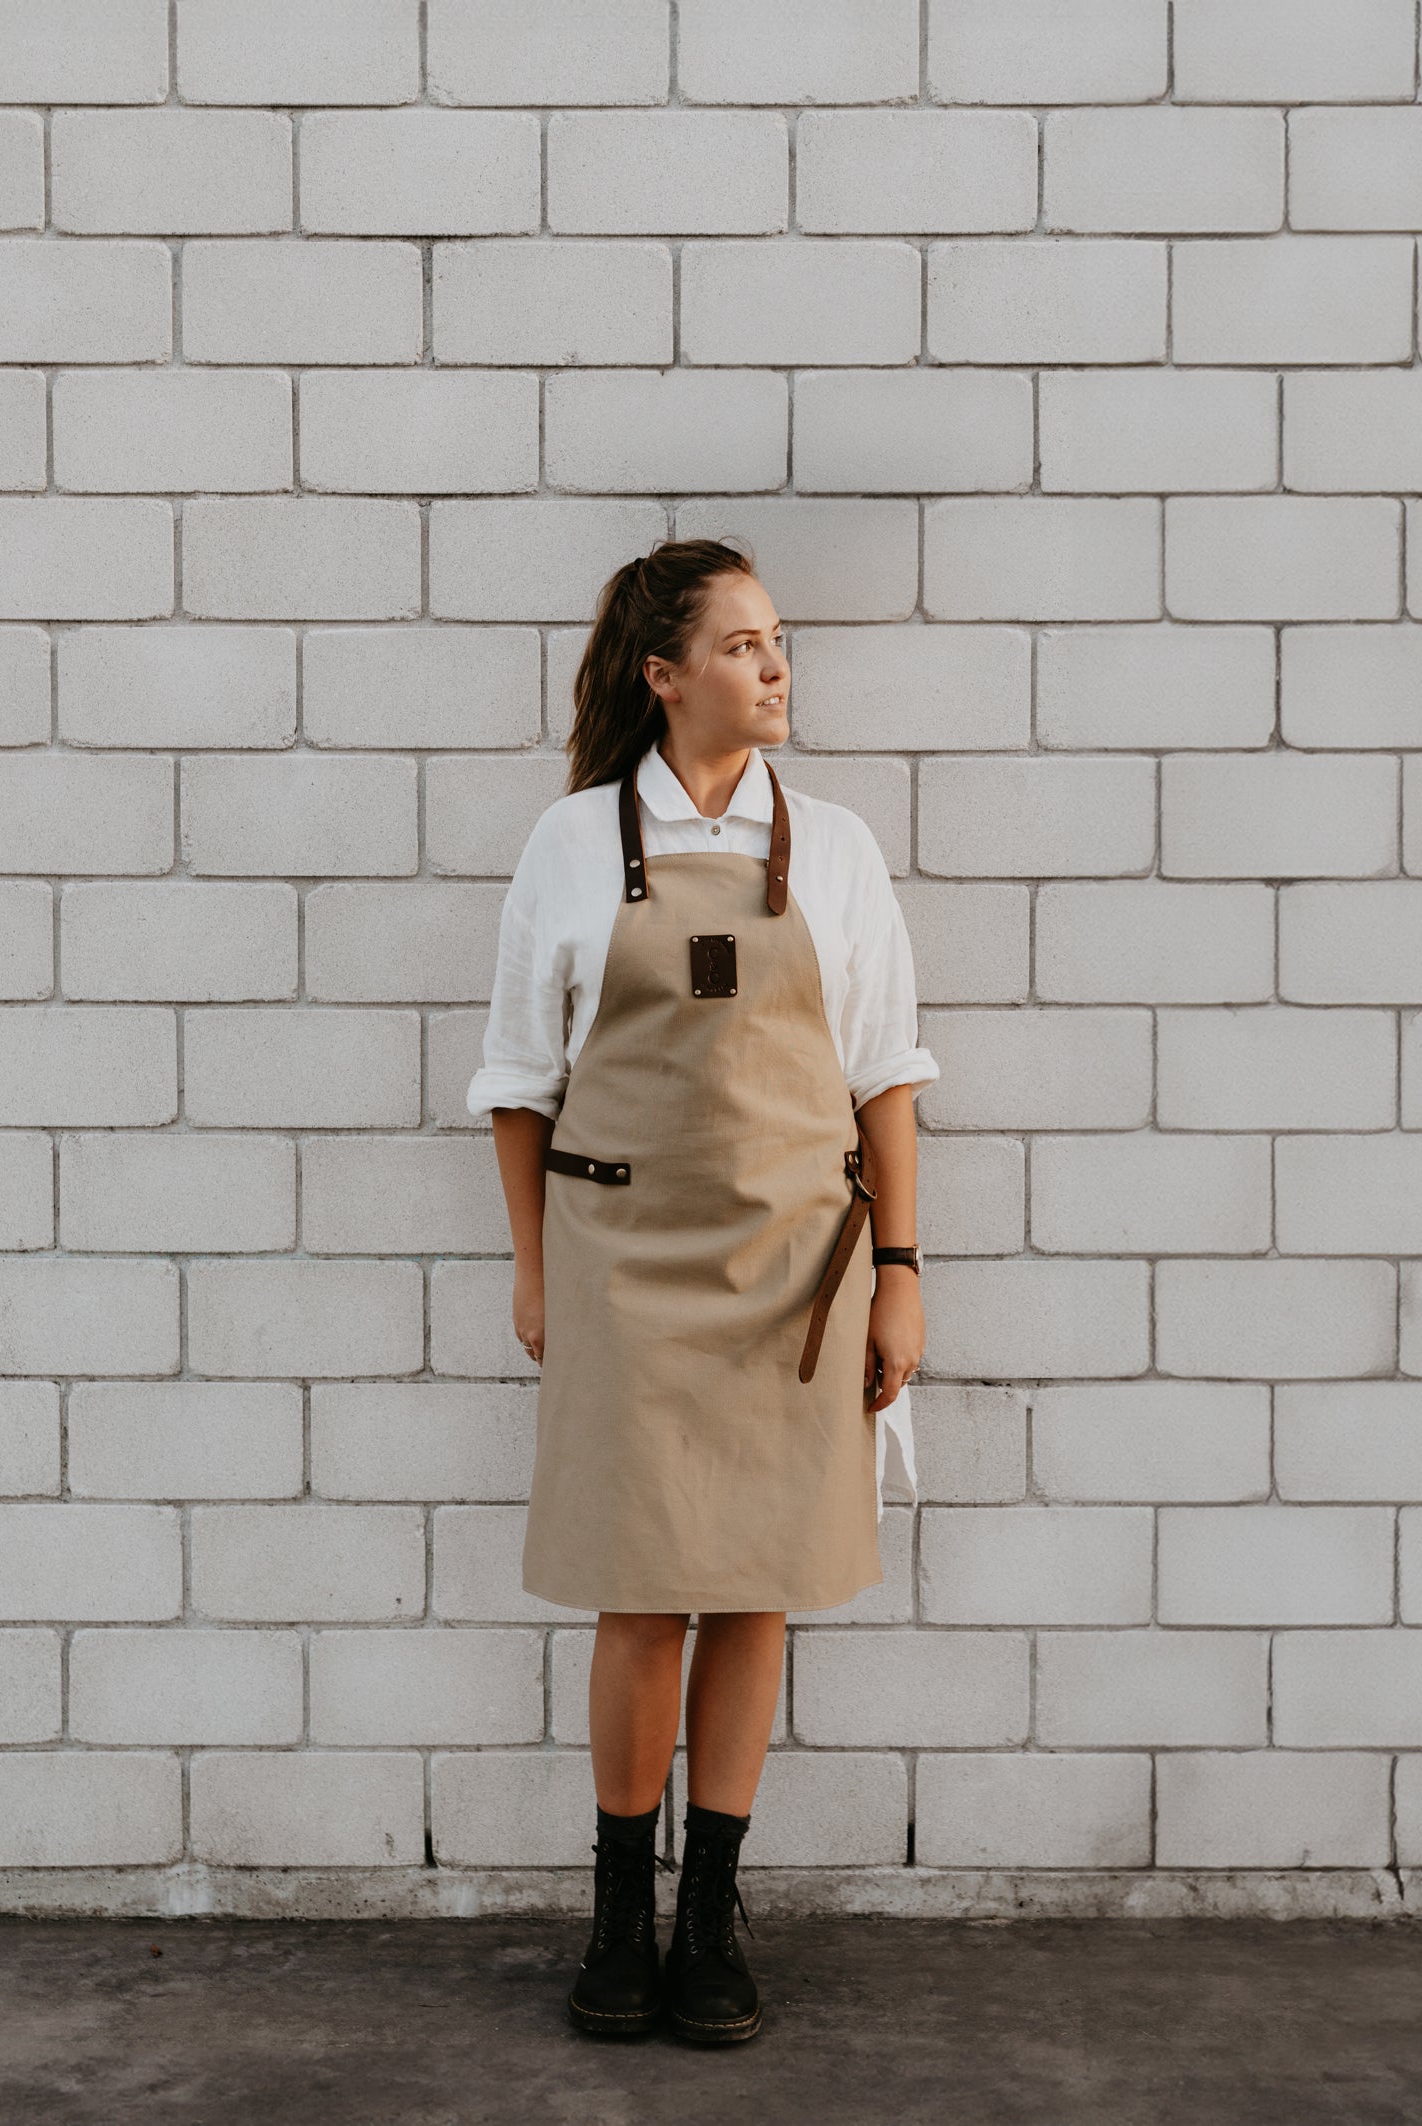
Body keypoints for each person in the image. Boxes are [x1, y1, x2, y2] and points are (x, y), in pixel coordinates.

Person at [467, 538, 938, 2045]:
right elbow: (515, 1088)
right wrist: (538, 1271)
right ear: (665, 675)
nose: (776, 665)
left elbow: (886, 1081)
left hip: (800, 1273)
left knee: (755, 1584)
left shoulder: (841, 848)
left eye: (779, 640)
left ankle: (712, 1914)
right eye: (743, 645)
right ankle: (619, 1912)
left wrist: (904, 1275)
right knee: (639, 1589)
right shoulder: (570, 844)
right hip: (622, 1270)